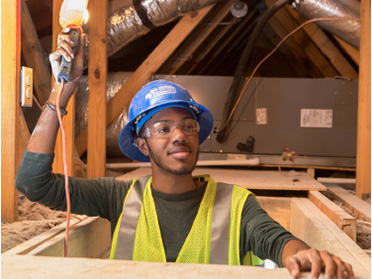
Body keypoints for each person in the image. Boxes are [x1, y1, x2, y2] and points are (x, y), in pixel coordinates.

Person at [16, 30, 354, 279]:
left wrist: (308, 257)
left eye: (188, 126)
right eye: (163, 128)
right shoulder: (118, 196)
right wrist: (62, 91)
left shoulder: (236, 205)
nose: (179, 135)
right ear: (143, 145)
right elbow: (33, 183)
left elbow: (278, 241)